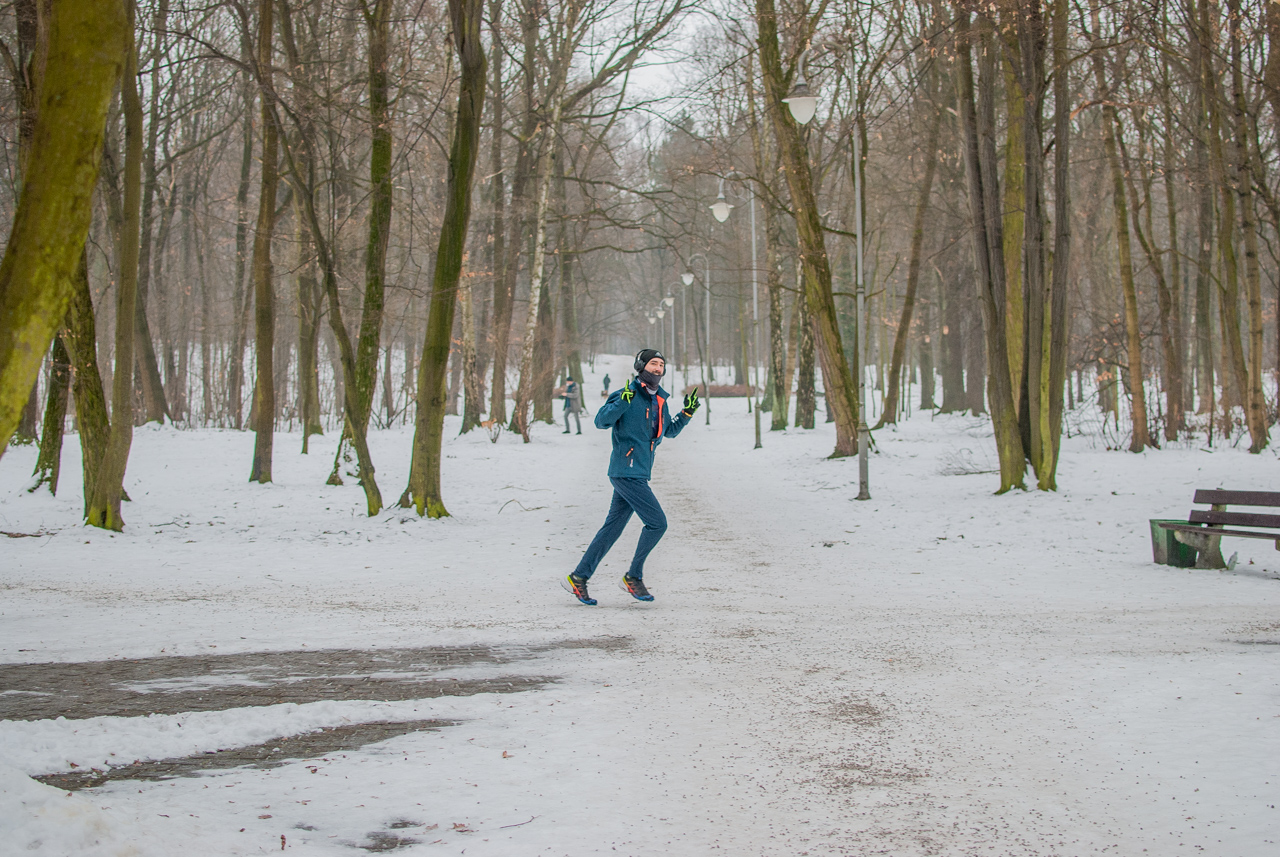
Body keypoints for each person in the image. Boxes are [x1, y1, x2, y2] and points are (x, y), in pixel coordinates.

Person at [562, 349, 700, 604]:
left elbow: (667, 432)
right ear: (640, 366)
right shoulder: (626, 394)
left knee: (612, 528)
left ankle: (578, 577)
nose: (657, 368)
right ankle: (633, 576)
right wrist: (622, 401)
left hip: (638, 473)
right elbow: (601, 421)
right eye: (652, 364)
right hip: (626, 471)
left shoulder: (660, 399)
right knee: (657, 523)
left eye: (661, 365)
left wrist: (686, 414)